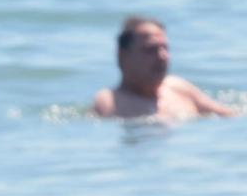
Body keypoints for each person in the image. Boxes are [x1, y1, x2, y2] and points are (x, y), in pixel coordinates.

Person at [92, 17, 237, 121]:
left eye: (165, 48)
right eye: (150, 50)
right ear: (123, 56)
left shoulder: (178, 87)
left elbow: (230, 116)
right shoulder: (110, 101)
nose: (162, 56)